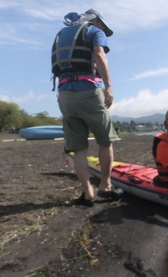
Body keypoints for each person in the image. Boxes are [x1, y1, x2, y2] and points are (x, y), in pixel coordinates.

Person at [52, 9, 123, 206]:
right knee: (105, 140)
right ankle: (105, 187)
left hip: (64, 93)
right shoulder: (93, 31)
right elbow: (99, 54)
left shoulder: (62, 34)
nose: (103, 30)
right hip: (89, 91)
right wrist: (108, 86)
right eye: (103, 26)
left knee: (79, 148)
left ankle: (87, 193)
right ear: (97, 21)